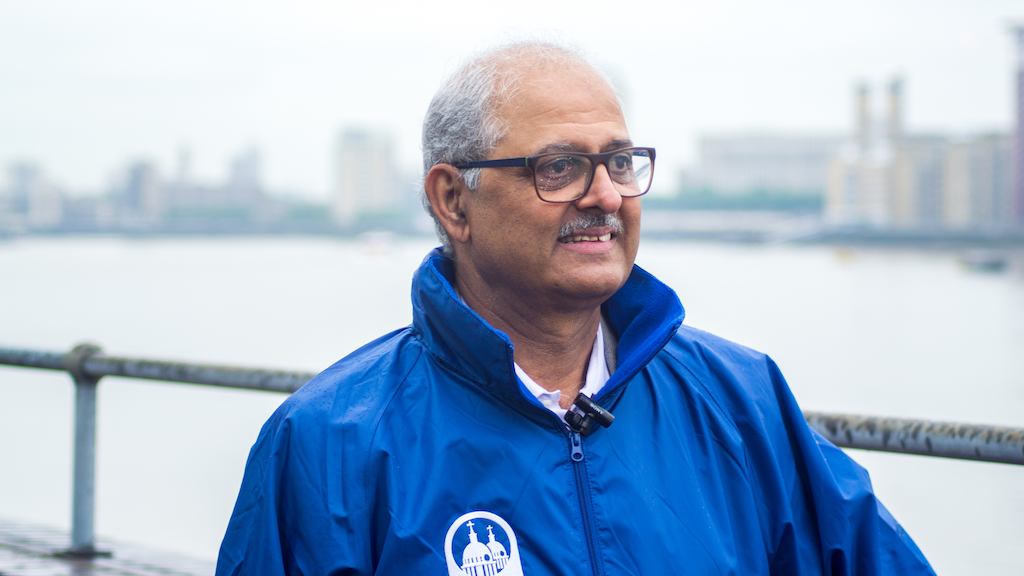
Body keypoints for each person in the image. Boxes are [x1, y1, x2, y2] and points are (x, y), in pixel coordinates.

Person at [216, 42, 934, 575]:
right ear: (453, 201)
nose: (606, 195)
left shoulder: (741, 402)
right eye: (559, 167)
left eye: (620, 162)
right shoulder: (326, 444)